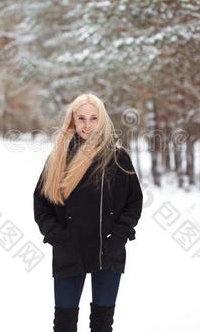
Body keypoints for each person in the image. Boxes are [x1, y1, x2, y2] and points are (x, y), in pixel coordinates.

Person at [33, 93, 143, 332]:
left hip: (108, 251)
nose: (87, 125)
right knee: (64, 324)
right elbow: (41, 205)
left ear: (102, 120)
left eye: (93, 118)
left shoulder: (117, 157)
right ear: (72, 120)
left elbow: (134, 202)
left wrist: (119, 236)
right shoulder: (58, 158)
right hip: (69, 251)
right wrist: (58, 238)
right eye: (81, 118)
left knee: (102, 324)